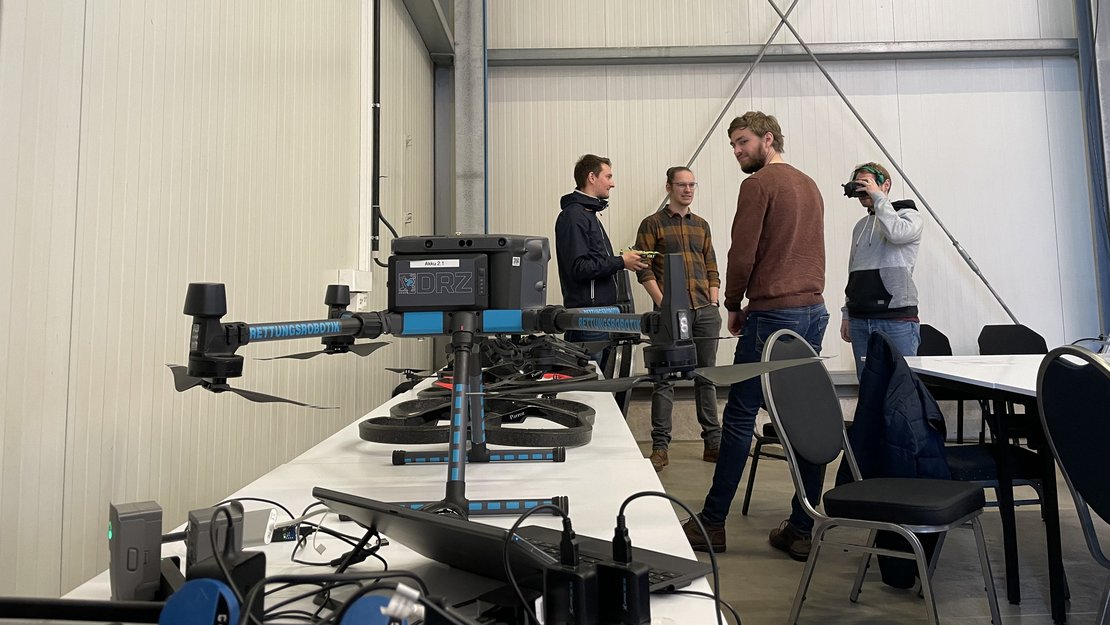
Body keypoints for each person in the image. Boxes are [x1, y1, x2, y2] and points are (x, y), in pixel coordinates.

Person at [681, 112, 829, 562]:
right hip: (814, 311)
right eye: (733, 145)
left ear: (768, 139)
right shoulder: (810, 184)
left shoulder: (759, 184)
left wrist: (733, 303)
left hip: (770, 315)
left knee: (741, 415)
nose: (737, 151)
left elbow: (742, 251)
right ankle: (801, 529)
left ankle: (712, 522)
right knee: (807, 417)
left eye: (743, 142)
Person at [633, 166, 723, 472]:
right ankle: (660, 448)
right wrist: (665, 305)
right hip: (669, 314)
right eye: (681, 185)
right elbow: (643, 269)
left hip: (705, 311)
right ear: (669, 187)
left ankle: (713, 444)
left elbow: (711, 264)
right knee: (664, 381)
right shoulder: (652, 224)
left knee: (706, 378)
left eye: (692, 185)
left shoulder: (702, 225)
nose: (687, 190)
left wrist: (713, 299)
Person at [555, 154, 648, 369]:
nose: (612, 183)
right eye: (608, 176)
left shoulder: (589, 215)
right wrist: (620, 262)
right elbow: (579, 268)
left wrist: (621, 260)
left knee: (601, 386)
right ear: (592, 177)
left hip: (600, 317)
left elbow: (594, 262)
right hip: (588, 318)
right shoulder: (574, 216)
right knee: (589, 387)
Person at [840, 162, 923, 378]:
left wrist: (878, 199)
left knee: (901, 387)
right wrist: (847, 313)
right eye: (859, 185)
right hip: (860, 318)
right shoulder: (860, 226)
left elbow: (896, 233)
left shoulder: (910, 217)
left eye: (867, 183)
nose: (863, 190)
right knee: (868, 388)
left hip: (896, 319)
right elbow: (852, 271)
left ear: (885, 185)